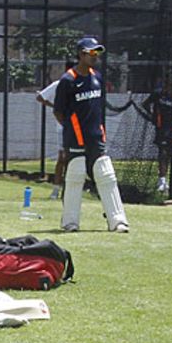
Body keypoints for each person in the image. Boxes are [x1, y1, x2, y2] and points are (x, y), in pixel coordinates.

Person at [53, 36, 128, 233]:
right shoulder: (67, 80)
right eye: (91, 52)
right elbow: (59, 112)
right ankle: (70, 222)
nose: (95, 56)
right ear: (81, 54)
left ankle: (117, 221)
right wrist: (74, 129)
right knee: (76, 175)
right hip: (76, 138)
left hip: (96, 137)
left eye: (97, 52)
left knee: (106, 175)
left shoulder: (98, 77)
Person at [142, 78, 172, 195]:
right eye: (166, 85)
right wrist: (153, 116)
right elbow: (145, 104)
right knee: (162, 153)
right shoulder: (157, 94)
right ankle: (161, 180)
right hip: (161, 128)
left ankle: (166, 179)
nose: (168, 88)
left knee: (170, 154)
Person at [36, 76, 65, 200]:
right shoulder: (58, 85)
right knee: (62, 158)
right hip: (63, 127)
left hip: (79, 126)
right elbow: (40, 97)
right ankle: (56, 190)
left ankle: (69, 191)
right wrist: (55, 106)